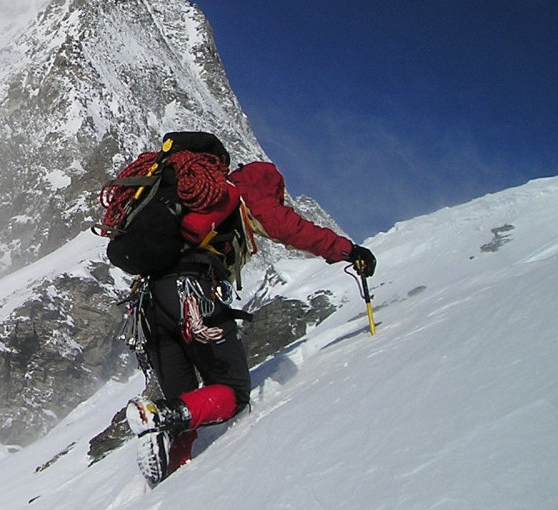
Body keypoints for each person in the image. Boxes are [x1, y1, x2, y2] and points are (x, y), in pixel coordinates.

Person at [118, 133, 377, 485]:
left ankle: (172, 482)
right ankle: (161, 415)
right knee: (233, 391)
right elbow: (290, 229)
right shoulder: (243, 188)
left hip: (147, 307)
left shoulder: (178, 197)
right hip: (189, 294)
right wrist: (348, 251)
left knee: (187, 403)